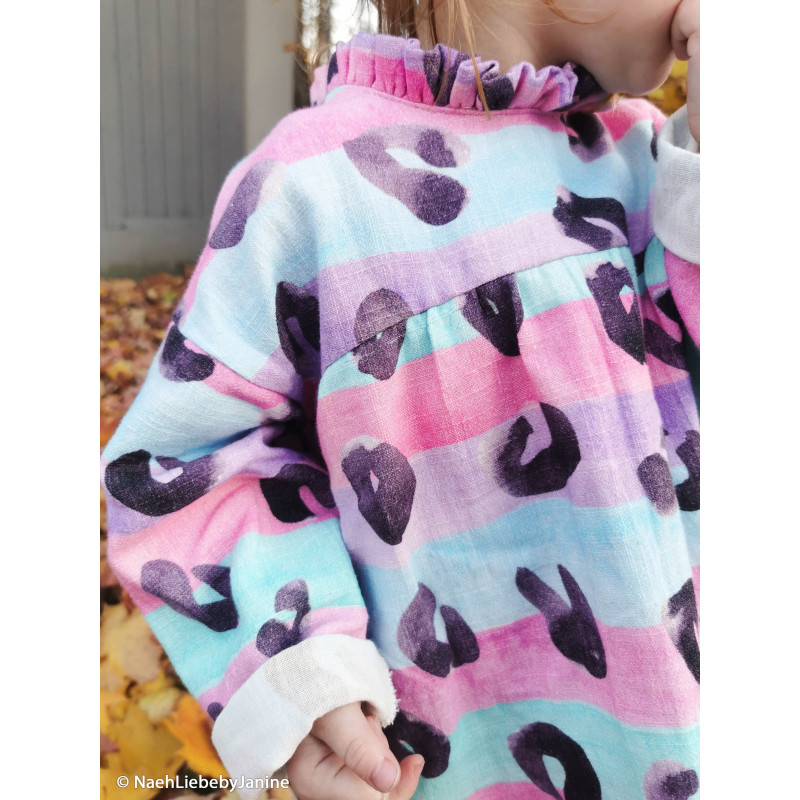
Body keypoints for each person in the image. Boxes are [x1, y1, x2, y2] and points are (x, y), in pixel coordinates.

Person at [101, 0, 700, 796]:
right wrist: (308, 677)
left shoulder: (650, 164)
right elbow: (186, 467)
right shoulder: (307, 190)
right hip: (466, 758)